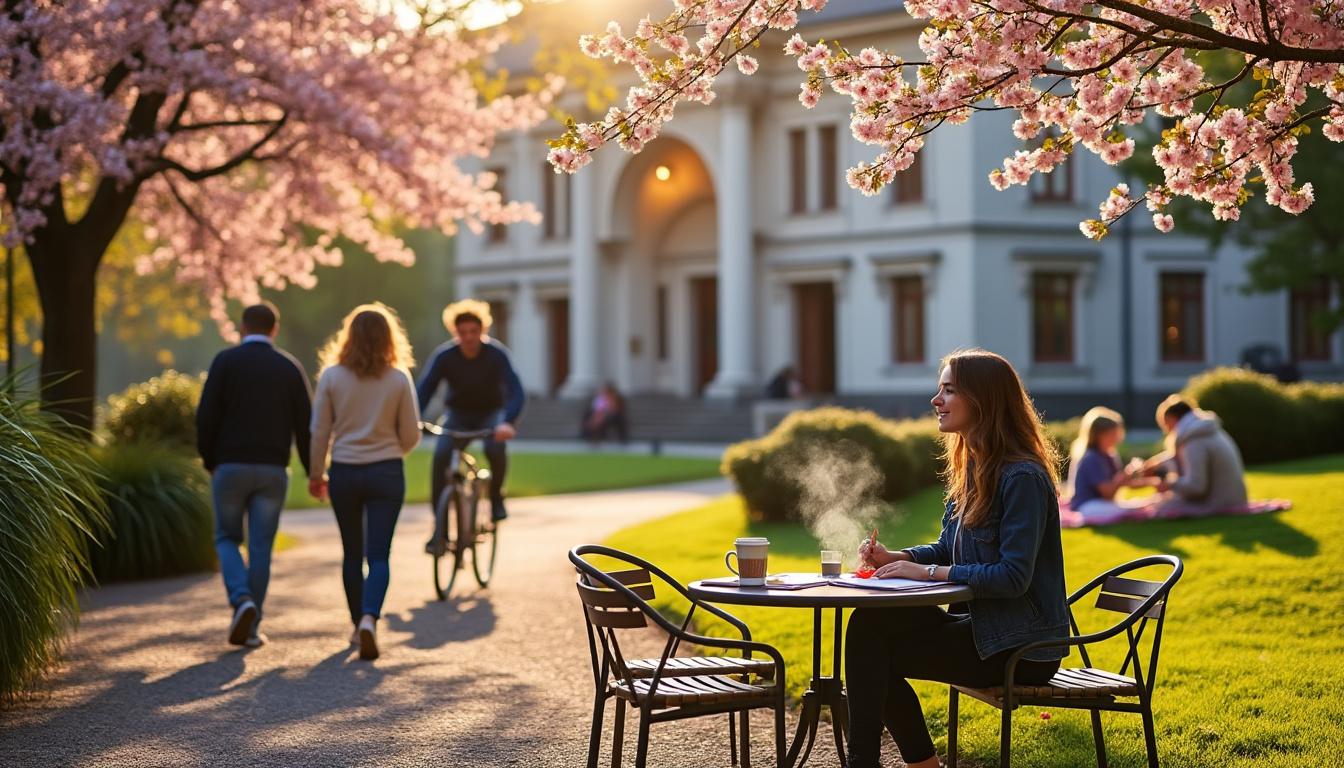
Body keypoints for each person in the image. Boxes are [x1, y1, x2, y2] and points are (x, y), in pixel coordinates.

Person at [847, 349, 1069, 768]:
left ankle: (875, 762)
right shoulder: (974, 469)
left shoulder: (1022, 477)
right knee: (869, 625)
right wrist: (897, 556)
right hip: (987, 630)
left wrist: (927, 571)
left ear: (983, 400)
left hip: (1022, 647)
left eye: (949, 390)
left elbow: (1014, 577)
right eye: (939, 389)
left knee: (873, 649)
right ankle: (893, 763)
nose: (936, 400)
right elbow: (950, 546)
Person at [196, 302, 313, 649]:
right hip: (273, 470)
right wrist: (312, 470)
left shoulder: (224, 362)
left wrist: (209, 460)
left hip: (229, 466)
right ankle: (250, 627)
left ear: (242, 327)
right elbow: (305, 426)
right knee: (261, 547)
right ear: (274, 330)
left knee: (227, 538)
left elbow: (205, 417)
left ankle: (241, 598)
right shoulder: (289, 367)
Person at [309, 303, 421, 661]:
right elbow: (411, 434)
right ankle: (371, 618)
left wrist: (316, 473)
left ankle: (358, 622)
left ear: (349, 336)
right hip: (387, 470)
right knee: (379, 554)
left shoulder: (332, 377)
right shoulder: (398, 377)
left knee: (351, 553)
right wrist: (391, 450)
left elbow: (319, 431)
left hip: (345, 470)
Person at [416, 299, 525, 554]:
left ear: (482, 331)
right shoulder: (445, 356)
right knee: (441, 455)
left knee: (495, 448)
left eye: (474, 332)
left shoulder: (496, 354)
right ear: (455, 333)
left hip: (491, 414)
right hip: (458, 415)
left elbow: (516, 391)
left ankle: (496, 499)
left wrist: (508, 422)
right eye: (463, 333)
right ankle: (439, 531)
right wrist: (414, 417)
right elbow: (425, 388)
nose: (468, 338)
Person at [1140, 395, 1248, 516]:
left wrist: (1169, 484)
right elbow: (1178, 457)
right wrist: (1158, 462)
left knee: (1153, 507)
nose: (1167, 431)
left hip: (1218, 503)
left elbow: (1197, 487)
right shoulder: (1203, 431)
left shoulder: (1194, 441)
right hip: (1233, 498)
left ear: (1172, 419)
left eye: (1165, 425)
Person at [1064, 406, 1153, 521]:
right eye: (1113, 434)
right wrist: (1125, 476)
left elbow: (1122, 485)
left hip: (1103, 503)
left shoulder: (1110, 455)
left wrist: (1153, 483)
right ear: (1099, 435)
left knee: (1143, 504)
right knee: (1133, 509)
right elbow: (1107, 492)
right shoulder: (1091, 458)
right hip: (1087, 506)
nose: (1117, 438)